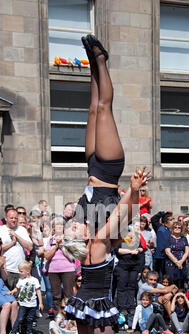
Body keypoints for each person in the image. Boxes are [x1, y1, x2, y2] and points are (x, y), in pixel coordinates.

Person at [65, 159, 150, 334]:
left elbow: (122, 221)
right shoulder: (98, 242)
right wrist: (131, 191)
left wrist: (133, 197)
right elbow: (118, 216)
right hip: (99, 304)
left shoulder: (87, 247)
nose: (77, 224)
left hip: (82, 303)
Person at [73, 35, 125, 226]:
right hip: (108, 170)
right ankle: (101, 60)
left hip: (93, 167)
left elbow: (75, 223)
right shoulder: (106, 223)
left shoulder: (85, 215)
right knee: (104, 107)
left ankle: (93, 64)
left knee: (94, 109)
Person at [114, 219, 146, 321]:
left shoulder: (134, 236)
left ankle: (131, 306)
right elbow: (118, 250)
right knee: (122, 287)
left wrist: (138, 250)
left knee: (132, 286)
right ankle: (122, 307)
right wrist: (130, 251)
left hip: (134, 266)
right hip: (122, 266)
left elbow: (141, 248)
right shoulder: (120, 237)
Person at [44, 217, 76, 317]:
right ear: (53, 227)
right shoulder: (50, 240)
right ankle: (57, 316)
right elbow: (47, 256)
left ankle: (70, 316)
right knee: (56, 295)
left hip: (68, 269)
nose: (58, 227)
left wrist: (61, 245)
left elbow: (72, 256)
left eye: (61, 225)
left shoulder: (69, 238)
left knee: (68, 294)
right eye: (56, 225)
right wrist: (55, 246)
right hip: (53, 270)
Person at [0, 208, 33, 290]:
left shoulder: (22, 230)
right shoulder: (0, 230)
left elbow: (30, 247)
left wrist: (17, 237)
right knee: (7, 297)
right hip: (6, 269)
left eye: (16, 218)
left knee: (20, 298)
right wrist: (12, 242)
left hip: (21, 270)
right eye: (11, 218)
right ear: (6, 218)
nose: (14, 220)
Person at [7, 260, 44, 334]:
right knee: (20, 319)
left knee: (30, 319)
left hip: (32, 304)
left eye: (21, 271)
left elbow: (38, 291)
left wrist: (40, 303)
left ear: (28, 271)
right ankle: (13, 333)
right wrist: (12, 291)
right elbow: (17, 288)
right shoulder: (21, 280)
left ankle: (29, 333)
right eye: (19, 271)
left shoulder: (34, 280)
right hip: (23, 303)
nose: (19, 273)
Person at [165, 221, 189, 289]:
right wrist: (176, 262)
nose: (177, 228)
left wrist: (181, 261)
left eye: (179, 227)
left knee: (181, 282)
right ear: (172, 228)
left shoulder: (184, 238)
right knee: (172, 282)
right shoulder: (169, 238)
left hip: (182, 263)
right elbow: (167, 252)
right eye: (175, 227)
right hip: (171, 264)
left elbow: (187, 251)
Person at [153, 212, 174, 280]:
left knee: (166, 277)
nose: (173, 221)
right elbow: (153, 219)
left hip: (166, 257)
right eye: (171, 220)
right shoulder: (160, 228)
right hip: (159, 257)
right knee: (159, 277)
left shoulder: (169, 230)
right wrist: (163, 212)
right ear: (166, 222)